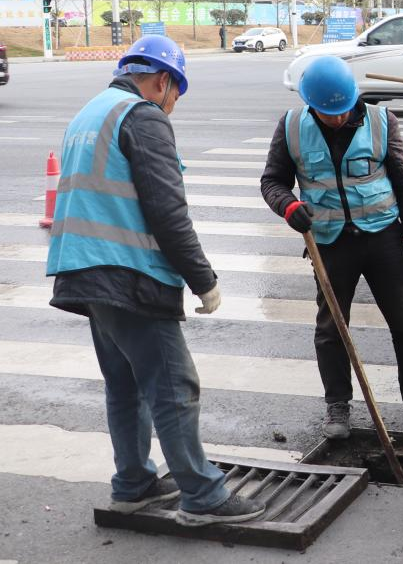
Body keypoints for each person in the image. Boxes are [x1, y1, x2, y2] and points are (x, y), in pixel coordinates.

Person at [47, 35, 263, 526]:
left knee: (126, 384)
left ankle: (134, 484)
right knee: (173, 385)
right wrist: (203, 279)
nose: (172, 106)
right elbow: (167, 211)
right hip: (128, 272)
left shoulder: (91, 112)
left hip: (85, 267)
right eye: (176, 95)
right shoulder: (142, 117)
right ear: (163, 81)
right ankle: (203, 495)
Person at [260, 55, 403, 438]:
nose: (337, 119)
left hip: (382, 238)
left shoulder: (382, 121)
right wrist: (289, 206)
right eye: (328, 113)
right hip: (330, 243)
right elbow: (272, 181)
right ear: (310, 104)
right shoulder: (292, 127)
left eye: (343, 110)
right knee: (331, 328)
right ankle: (337, 406)